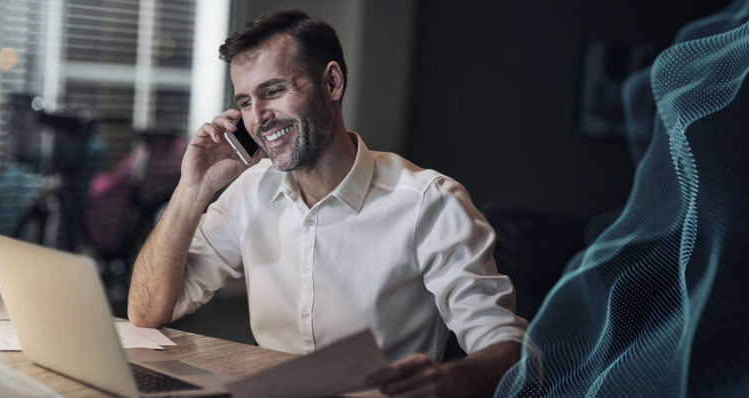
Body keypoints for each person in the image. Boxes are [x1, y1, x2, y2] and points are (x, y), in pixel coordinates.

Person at [128, 9, 527, 397]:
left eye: (274, 91)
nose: (259, 118)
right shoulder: (250, 192)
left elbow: (507, 348)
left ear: (332, 83)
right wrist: (191, 188)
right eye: (246, 101)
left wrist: (451, 383)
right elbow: (148, 312)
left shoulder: (430, 202)